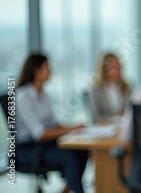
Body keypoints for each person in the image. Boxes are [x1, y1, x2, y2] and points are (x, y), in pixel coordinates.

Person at [16, 54, 88, 193]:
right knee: (70, 157)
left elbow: (54, 125)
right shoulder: (23, 97)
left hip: (44, 145)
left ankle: (68, 189)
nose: (51, 71)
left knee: (82, 150)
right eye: (47, 67)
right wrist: (69, 130)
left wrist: (75, 127)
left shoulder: (43, 95)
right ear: (36, 71)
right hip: (28, 149)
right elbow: (40, 134)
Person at [88, 53, 131, 123]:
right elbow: (95, 117)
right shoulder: (95, 90)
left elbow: (131, 110)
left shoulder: (126, 87)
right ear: (104, 69)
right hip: (105, 128)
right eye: (114, 67)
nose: (118, 70)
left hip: (123, 126)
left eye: (119, 66)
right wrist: (115, 115)